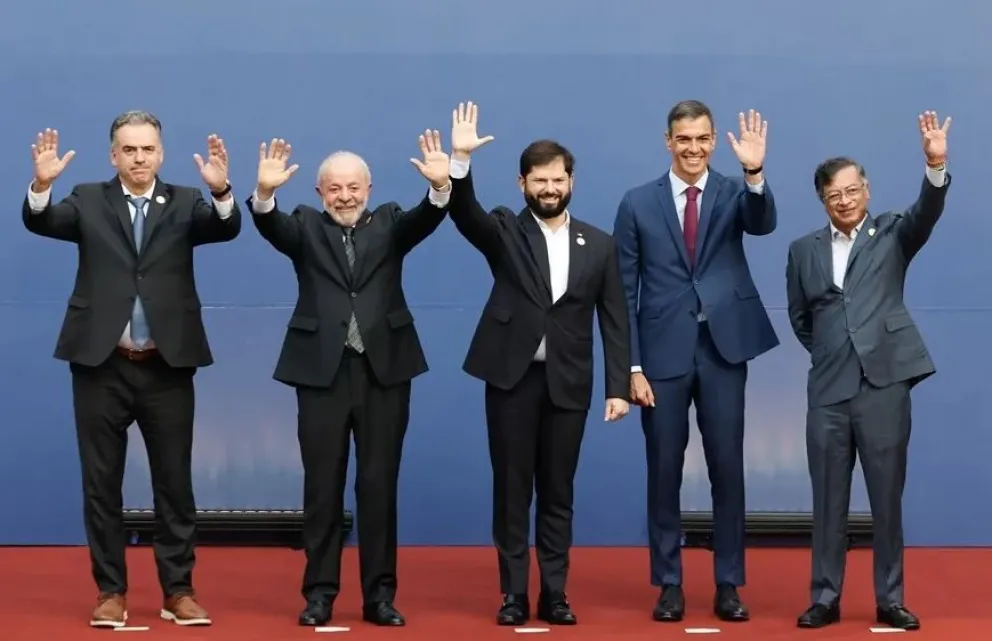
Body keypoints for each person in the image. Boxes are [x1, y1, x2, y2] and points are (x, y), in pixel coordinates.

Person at [22, 111, 240, 628]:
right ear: (113, 155)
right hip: (101, 364)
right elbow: (42, 220)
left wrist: (224, 189)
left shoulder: (187, 201)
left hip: (167, 365)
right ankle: (110, 592)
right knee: (102, 484)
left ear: (160, 154)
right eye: (129, 149)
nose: (139, 158)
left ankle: (178, 591)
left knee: (174, 483)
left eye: (147, 149)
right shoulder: (88, 198)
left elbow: (226, 228)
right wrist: (40, 186)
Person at [246, 131, 453, 627]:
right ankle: (319, 594)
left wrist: (442, 185)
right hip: (321, 373)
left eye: (353, 187)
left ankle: (379, 596)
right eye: (334, 188)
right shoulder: (304, 227)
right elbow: (271, 226)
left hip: (385, 370)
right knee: (322, 487)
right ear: (319, 194)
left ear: (369, 188)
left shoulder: (391, 224)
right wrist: (265, 194)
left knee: (379, 484)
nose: (345, 196)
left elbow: (430, 216)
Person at [445, 101, 631, 627]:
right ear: (522, 182)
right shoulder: (505, 229)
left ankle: (554, 593)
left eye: (558, 179)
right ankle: (512, 595)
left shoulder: (599, 244)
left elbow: (616, 320)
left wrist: (619, 385)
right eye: (539, 180)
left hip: (569, 383)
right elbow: (466, 215)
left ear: (571, 181)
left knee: (558, 492)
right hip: (511, 380)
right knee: (511, 490)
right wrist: (460, 162)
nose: (549, 188)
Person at [612, 100, 779, 623]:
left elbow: (763, 223)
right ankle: (669, 583)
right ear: (668, 141)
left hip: (722, 351)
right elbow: (622, 291)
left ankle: (728, 582)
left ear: (713, 141)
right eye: (683, 139)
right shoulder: (638, 202)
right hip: (661, 357)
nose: (693, 148)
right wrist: (631, 367)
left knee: (728, 469)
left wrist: (754, 170)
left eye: (702, 139)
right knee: (662, 471)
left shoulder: (734, 191)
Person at [786, 111, 951, 631]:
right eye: (835, 195)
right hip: (828, 391)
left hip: (884, 386)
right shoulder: (802, 251)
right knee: (827, 503)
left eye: (853, 190)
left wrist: (936, 163)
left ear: (867, 189)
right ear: (823, 201)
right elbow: (800, 318)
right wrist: (833, 351)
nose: (845, 200)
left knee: (886, 500)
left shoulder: (894, 233)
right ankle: (825, 597)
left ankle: (890, 599)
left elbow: (928, 211)